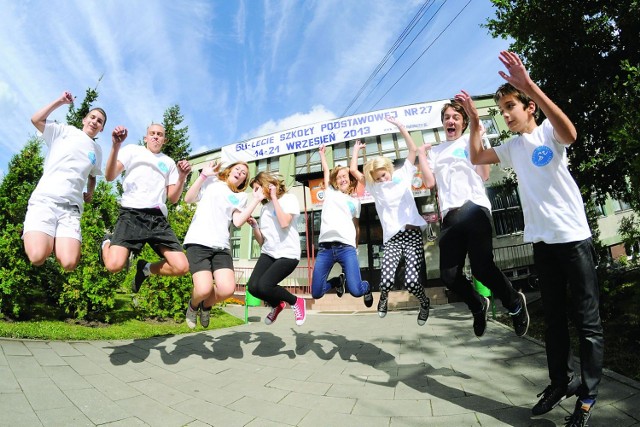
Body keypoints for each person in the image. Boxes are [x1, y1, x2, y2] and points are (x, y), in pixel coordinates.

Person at [469, 51, 603, 425]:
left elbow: (571, 134)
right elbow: (478, 155)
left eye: (511, 106)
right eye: (502, 109)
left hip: (573, 238)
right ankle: (561, 382)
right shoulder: (512, 149)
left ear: (529, 107)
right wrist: (476, 122)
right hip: (542, 242)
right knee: (555, 320)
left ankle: (589, 393)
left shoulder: (547, 133)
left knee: (587, 320)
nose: (506, 114)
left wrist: (530, 84)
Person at [413, 94, 529, 338]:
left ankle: (515, 304)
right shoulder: (437, 151)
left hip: (474, 207)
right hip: (450, 216)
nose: (450, 121)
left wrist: (477, 128)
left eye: (456, 117)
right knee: (448, 276)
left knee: (482, 268)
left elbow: (484, 174)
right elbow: (429, 181)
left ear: (463, 123)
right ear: (443, 124)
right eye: (446, 118)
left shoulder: (470, 140)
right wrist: (422, 156)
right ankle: (478, 305)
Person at [349, 118, 431, 326]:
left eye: (383, 175)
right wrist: (356, 150)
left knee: (412, 282)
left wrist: (401, 127)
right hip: (392, 239)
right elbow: (353, 171)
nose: (382, 180)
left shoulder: (403, 174)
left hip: (412, 235)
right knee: (385, 281)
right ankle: (383, 298)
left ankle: (424, 302)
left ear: (388, 170)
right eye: (377, 178)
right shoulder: (374, 188)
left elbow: (412, 151)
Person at [99, 123, 191, 292]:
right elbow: (110, 176)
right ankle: (106, 242)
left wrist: (182, 177)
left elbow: (173, 198)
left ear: (165, 140)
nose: (156, 136)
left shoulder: (168, 162)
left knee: (182, 267)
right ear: (146, 137)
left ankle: (146, 268)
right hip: (131, 215)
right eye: (152, 133)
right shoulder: (133, 151)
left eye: (160, 134)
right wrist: (116, 145)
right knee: (113, 266)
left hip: (157, 220)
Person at [23, 91, 105, 271]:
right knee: (37, 257)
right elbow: (36, 119)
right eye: (92, 117)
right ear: (84, 119)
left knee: (69, 264)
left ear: (102, 128)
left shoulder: (97, 151)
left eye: (99, 121)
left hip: (70, 210)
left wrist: (91, 191)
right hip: (45, 201)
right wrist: (60, 101)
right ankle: (43, 239)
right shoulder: (63, 131)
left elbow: (93, 175)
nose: (95, 122)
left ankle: (54, 241)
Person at [182, 160, 258, 329]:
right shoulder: (212, 181)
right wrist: (203, 176)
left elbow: (238, 221)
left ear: (244, 180)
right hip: (199, 242)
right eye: (237, 169)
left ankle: (206, 306)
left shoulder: (241, 196)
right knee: (203, 289)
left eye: (244, 173)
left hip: (221, 246)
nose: (240, 172)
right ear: (229, 171)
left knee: (227, 289)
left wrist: (257, 199)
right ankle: (193, 306)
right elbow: (188, 198)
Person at [311, 145, 374, 307]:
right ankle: (336, 282)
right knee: (316, 292)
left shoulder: (355, 202)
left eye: (345, 176)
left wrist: (356, 246)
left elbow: (356, 226)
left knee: (356, 291)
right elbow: (326, 171)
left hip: (346, 248)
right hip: (325, 249)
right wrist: (322, 155)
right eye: (339, 177)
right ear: (336, 182)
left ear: (350, 180)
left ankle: (366, 288)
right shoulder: (331, 193)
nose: (342, 179)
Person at [245, 172, 306, 326]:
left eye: (257, 188)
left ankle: (297, 301)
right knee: (253, 287)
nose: (256, 193)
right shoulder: (264, 209)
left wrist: (273, 198)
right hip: (269, 252)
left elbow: (285, 223)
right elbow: (262, 241)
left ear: (267, 184)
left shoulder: (289, 199)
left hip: (288, 254)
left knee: (265, 285)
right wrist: (255, 227)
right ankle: (277, 305)